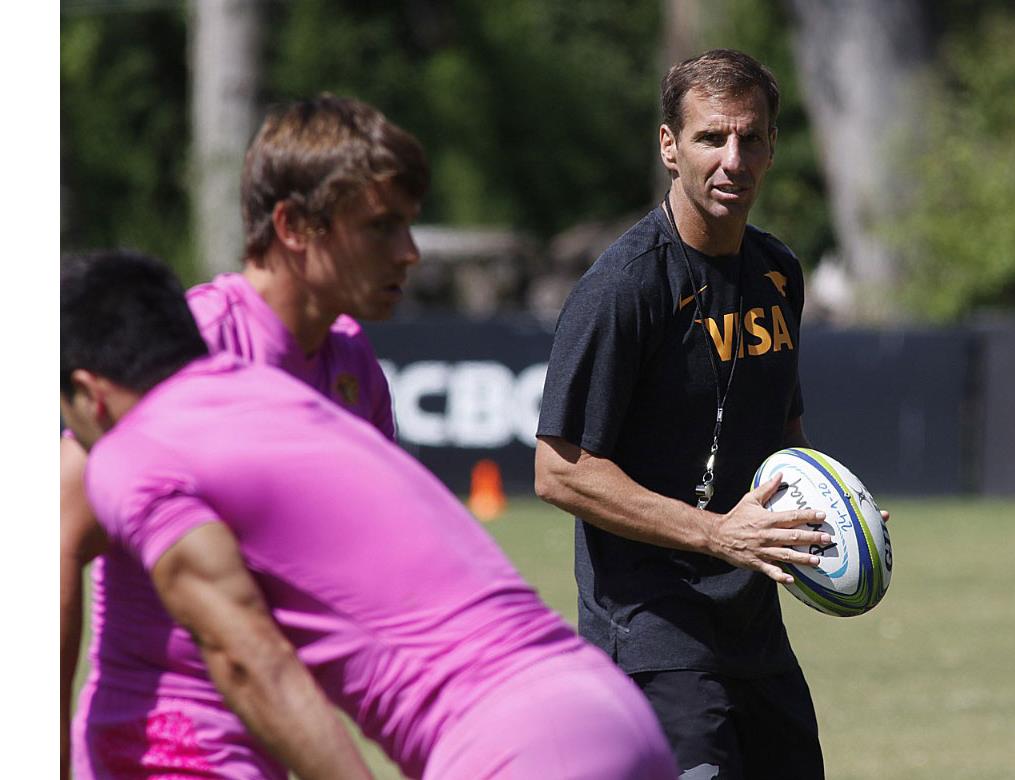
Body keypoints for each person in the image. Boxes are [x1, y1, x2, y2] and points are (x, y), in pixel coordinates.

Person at [60, 250, 678, 780]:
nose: (406, 251)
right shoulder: (289, 399)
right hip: (609, 707)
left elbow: (248, 659)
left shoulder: (132, 448)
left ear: (89, 394)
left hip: (511, 747)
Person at [61, 94, 425, 778]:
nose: (409, 253)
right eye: (381, 227)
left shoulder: (352, 362)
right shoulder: (187, 343)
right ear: (293, 226)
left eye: (409, 225)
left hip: (276, 733)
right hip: (161, 743)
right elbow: (52, 537)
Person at [536, 48, 864, 779]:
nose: (732, 159)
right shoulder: (623, 287)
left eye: (750, 138)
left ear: (773, 147)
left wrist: (833, 513)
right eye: (711, 137)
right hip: (654, 638)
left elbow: (786, 435)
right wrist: (717, 533)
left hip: (755, 636)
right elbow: (559, 472)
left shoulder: (778, 272)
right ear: (669, 146)